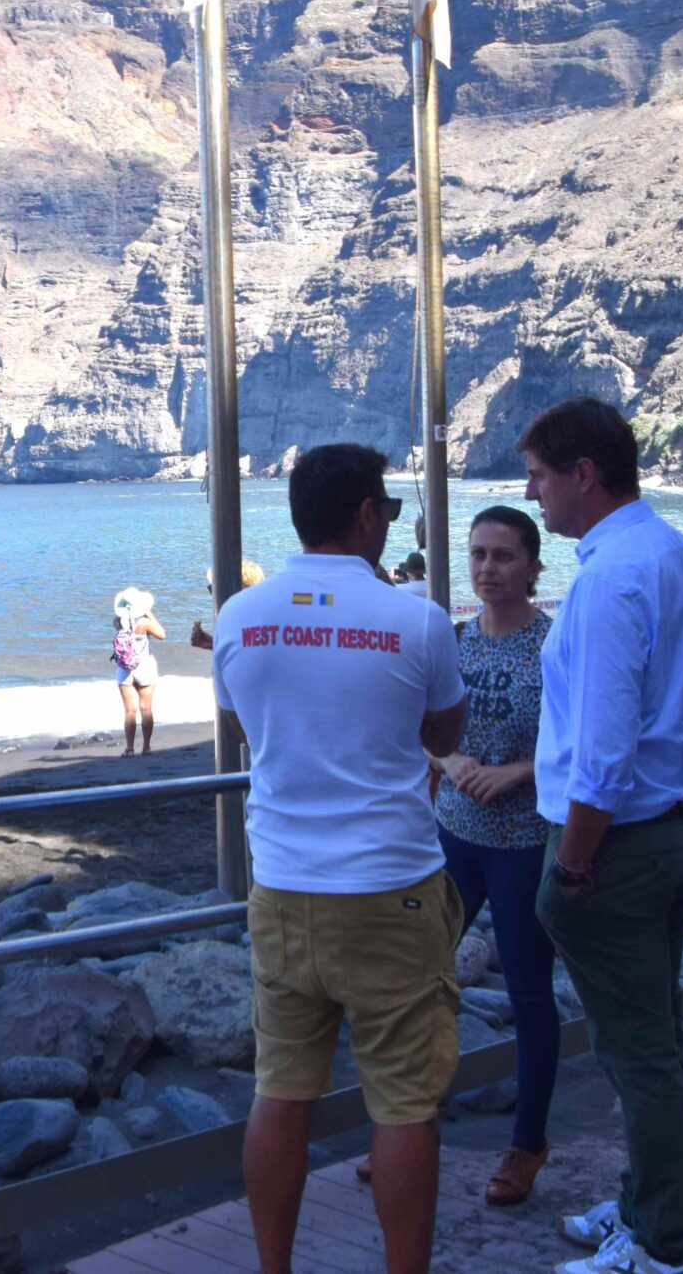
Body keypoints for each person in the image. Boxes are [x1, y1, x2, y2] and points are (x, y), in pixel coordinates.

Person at [213, 443, 465, 1274]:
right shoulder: (417, 618)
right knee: (403, 1103)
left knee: (279, 1092)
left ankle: (274, 1268)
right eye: (388, 511)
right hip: (391, 884)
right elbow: (445, 734)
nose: (388, 524)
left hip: (283, 886)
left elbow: (254, 725)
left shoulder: (240, 617)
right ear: (364, 513)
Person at [518, 397, 683, 1274]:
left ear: (584, 475)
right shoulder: (678, 552)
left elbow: (604, 749)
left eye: (537, 475)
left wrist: (573, 862)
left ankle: (661, 1244)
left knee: (638, 1051)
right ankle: (646, 1201)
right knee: (655, 1036)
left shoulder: (609, 579)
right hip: (678, 827)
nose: (531, 494)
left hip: (617, 845)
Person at [434, 504, 561, 1208]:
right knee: (421, 979)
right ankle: (407, 1122)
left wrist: (516, 772)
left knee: (528, 991)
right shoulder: (454, 642)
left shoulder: (554, 646)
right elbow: (423, 729)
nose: (488, 568)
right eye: (479, 554)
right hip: (453, 836)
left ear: (535, 566)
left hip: (522, 843)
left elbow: (580, 741)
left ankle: (526, 1142)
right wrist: (450, 761)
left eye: (504, 555)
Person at [111, 588, 168, 756]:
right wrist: (149, 614)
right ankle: (146, 747)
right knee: (146, 709)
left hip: (124, 668)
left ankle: (129, 748)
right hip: (145, 668)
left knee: (129, 711)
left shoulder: (117, 621)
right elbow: (162, 635)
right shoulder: (144, 623)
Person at [188, 559, 264, 649]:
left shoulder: (259, 624)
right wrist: (212, 644)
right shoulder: (245, 622)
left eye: (217, 589)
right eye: (212, 589)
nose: (214, 596)